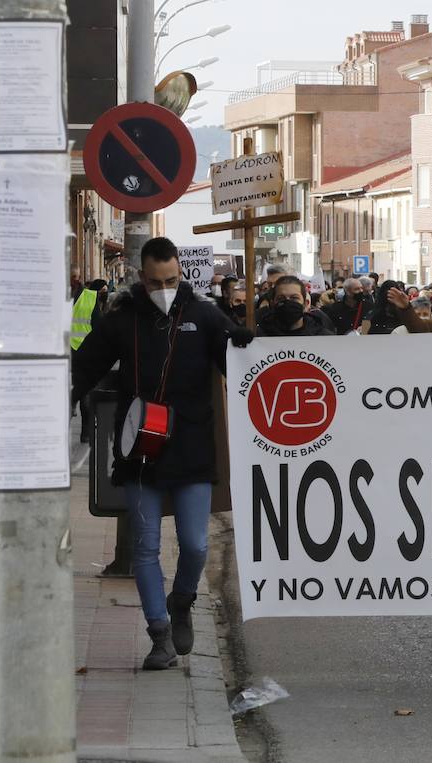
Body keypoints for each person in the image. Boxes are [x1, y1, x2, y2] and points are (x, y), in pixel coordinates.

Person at [71, 237, 248, 670]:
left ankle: (183, 599)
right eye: (155, 281)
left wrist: (244, 344)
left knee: (196, 543)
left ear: (180, 274)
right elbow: (85, 366)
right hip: (140, 448)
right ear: (141, 277)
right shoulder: (122, 320)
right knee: (145, 547)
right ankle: (159, 635)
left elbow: (241, 371)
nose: (164, 287)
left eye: (171, 279)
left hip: (191, 447)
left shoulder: (205, 315)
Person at [71, 279, 109, 443]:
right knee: (85, 395)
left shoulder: (83, 297)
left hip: (74, 349)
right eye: (104, 290)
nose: (105, 293)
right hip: (85, 352)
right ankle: (86, 432)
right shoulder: (91, 301)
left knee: (78, 393)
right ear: (98, 290)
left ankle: (84, 432)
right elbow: (99, 327)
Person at [256, 276, 335, 337]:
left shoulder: (324, 338)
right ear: (272, 304)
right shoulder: (258, 336)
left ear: (306, 304)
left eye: (294, 298)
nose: (288, 302)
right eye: (281, 298)